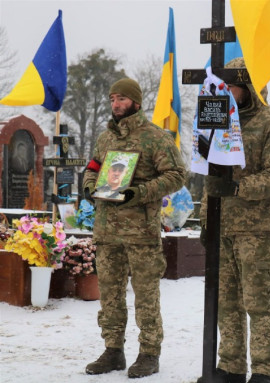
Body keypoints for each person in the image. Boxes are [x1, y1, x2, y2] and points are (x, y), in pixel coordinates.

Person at [82, 77, 186, 378]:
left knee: (146, 295)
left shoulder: (155, 137)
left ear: (136, 103)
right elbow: (93, 168)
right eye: (113, 98)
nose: (116, 104)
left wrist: (140, 193)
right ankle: (113, 350)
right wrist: (90, 187)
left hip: (140, 232)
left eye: (122, 99)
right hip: (107, 230)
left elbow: (177, 175)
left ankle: (149, 353)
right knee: (110, 294)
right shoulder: (106, 139)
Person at [199, 57, 270, 383]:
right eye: (223, 84)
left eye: (232, 84)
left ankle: (263, 371)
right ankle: (231, 366)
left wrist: (238, 186)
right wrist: (206, 220)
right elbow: (209, 176)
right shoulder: (217, 119)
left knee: (258, 301)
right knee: (227, 302)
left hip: (256, 228)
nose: (227, 90)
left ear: (248, 85)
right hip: (223, 225)